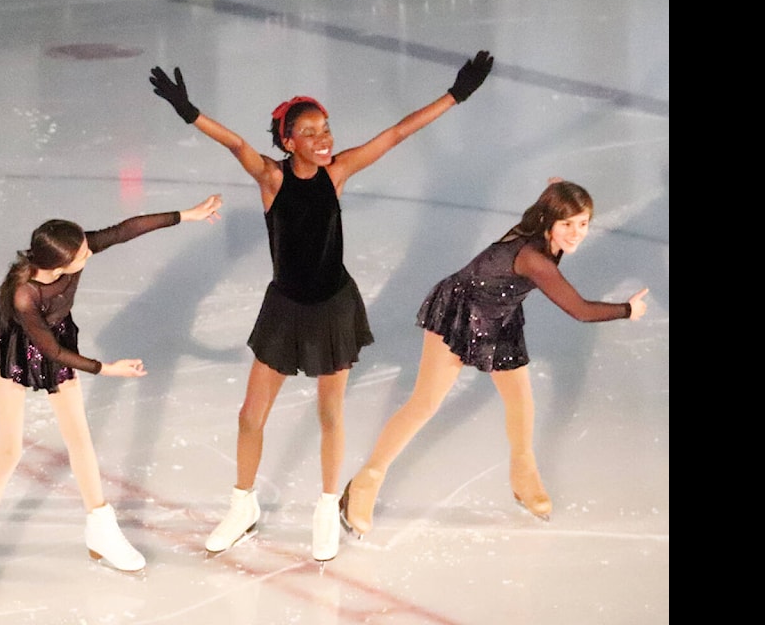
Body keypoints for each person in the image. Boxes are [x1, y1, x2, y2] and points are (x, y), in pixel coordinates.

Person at [148, 49, 493, 563]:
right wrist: (189, 112)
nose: (324, 138)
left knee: (330, 414)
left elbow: (397, 133)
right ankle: (242, 506)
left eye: (326, 127)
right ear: (289, 142)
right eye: (310, 132)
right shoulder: (272, 179)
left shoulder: (338, 172)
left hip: (333, 307)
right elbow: (237, 144)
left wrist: (456, 94)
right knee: (250, 417)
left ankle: (326, 505)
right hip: (285, 309)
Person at [0, 194, 223, 604]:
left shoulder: (71, 254)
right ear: (59, 262)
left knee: (80, 441)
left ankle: (100, 529)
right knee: (8, 452)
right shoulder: (25, 295)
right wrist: (107, 369)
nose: (89, 253)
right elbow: (52, 352)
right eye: (82, 252)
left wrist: (187, 215)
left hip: (55, 341)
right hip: (20, 350)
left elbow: (126, 230)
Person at [338, 178, 649, 536]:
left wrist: (559, 188)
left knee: (520, 401)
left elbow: (557, 214)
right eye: (567, 224)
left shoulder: (546, 232)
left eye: (583, 223)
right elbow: (579, 310)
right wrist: (628, 309)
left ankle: (523, 473)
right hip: (461, 309)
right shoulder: (535, 259)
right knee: (424, 403)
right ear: (548, 221)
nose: (577, 233)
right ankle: (365, 482)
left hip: (500, 316)